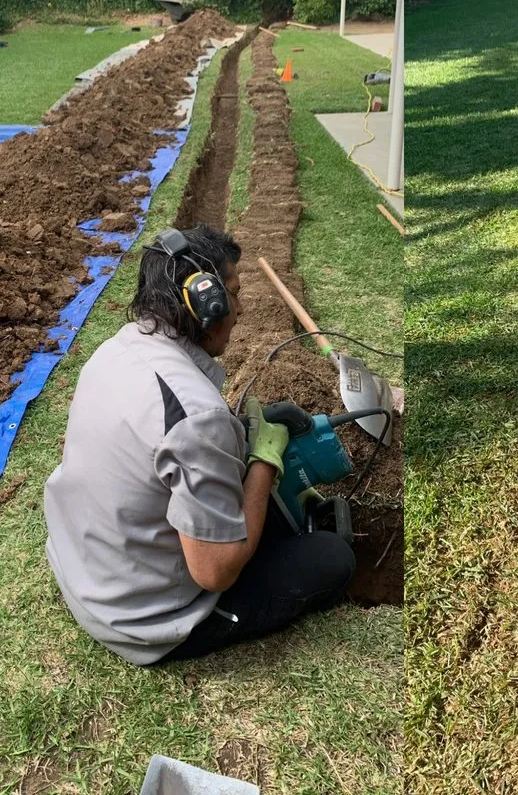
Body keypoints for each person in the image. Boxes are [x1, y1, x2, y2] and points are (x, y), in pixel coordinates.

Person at [43, 223, 356, 665]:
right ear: (205, 303)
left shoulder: (116, 348)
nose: (241, 308)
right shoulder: (196, 419)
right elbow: (214, 572)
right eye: (232, 293)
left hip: (85, 569)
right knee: (331, 556)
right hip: (140, 620)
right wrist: (264, 461)